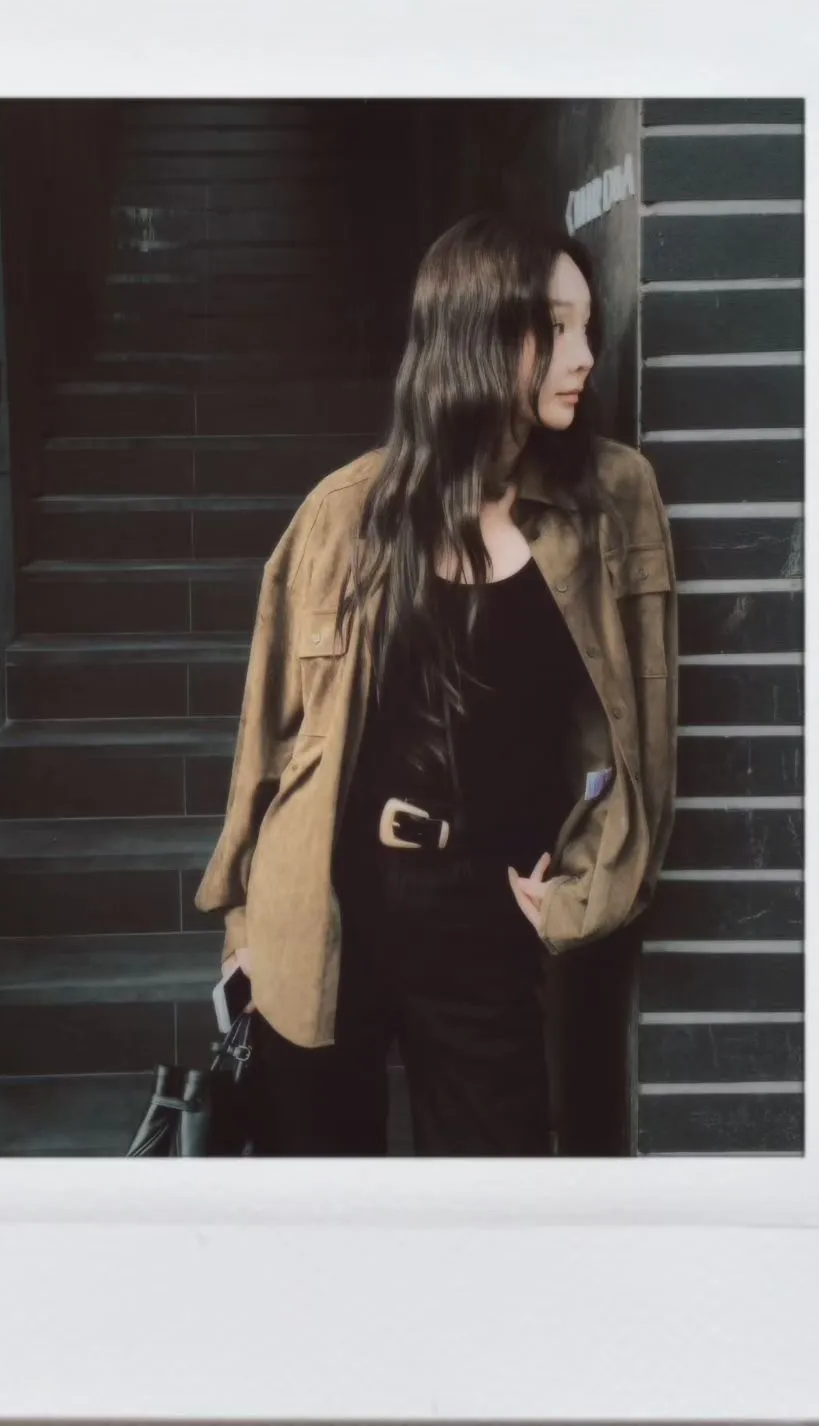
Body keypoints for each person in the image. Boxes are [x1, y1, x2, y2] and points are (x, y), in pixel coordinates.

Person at [194, 211, 679, 1156]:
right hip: (332, 900)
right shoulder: (344, 514)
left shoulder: (612, 501)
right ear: (478, 335)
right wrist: (248, 925)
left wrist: (590, 886)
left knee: (494, 1190)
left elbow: (646, 731)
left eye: (588, 327)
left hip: (489, 909)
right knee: (325, 1190)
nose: (585, 356)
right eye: (556, 328)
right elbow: (271, 741)